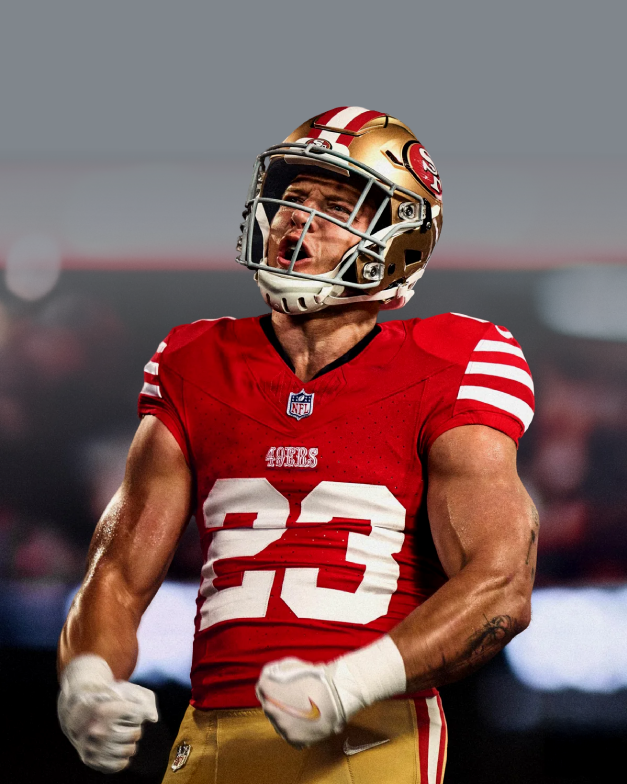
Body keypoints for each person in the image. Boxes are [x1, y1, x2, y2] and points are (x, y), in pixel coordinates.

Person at [57, 106, 538, 784]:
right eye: (293, 197)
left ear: (399, 237)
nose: (298, 219)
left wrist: (346, 686)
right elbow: (117, 569)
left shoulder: (457, 357)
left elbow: (500, 587)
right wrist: (85, 678)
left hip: (367, 731)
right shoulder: (193, 358)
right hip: (211, 730)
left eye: (338, 205)